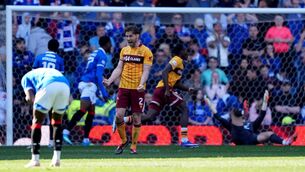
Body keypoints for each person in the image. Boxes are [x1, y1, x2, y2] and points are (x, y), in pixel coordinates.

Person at [124, 44, 199, 148]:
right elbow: (164, 72)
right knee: (184, 109)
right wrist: (168, 90)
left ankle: (122, 120)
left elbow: (176, 83)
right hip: (164, 89)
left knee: (150, 116)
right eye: (185, 51)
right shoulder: (177, 59)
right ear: (180, 52)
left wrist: (187, 89)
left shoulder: (181, 65)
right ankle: (184, 140)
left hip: (159, 90)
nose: (187, 53)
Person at [103, 25, 153, 154]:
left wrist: (142, 84)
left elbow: (146, 70)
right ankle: (124, 141)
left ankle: (134, 145)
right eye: (127, 36)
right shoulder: (124, 50)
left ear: (137, 36)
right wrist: (110, 80)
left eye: (131, 36)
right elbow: (119, 68)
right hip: (123, 87)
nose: (129, 38)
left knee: (137, 118)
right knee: (119, 116)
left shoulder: (146, 51)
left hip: (138, 89)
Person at [63, 36, 112, 146]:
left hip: (88, 83)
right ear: (107, 44)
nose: (111, 47)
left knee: (91, 112)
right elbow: (98, 75)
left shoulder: (94, 53)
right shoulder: (102, 55)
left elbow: (94, 72)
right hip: (89, 85)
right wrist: (103, 92)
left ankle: (86, 139)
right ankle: (65, 132)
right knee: (83, 110)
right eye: (110, 44)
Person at [204, 90, 296, 145]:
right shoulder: (231, 124)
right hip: (239, 136)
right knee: (234, 115)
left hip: (250, 139)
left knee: (269, 134)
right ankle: (242, 110)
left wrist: (265, 101)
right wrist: (209, 103)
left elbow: (262, 115)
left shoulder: (251, 124)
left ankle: (285, 142)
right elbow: (217, 116)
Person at [21, 68, 70, 167]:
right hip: (65, 84)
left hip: (48, 85)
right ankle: (56, 159)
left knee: (37, 122)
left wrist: (33, 103)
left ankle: (35, 159)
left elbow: (30, 98)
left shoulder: (25, 78)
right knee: (57, 123)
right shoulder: (42, 72)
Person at [32, 38, 64, 148]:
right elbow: (61, 77)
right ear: (57, 48)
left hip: (41, 89)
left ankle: (35, 142)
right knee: (53, 116)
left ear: (48, 47)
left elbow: (33, 74)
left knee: (38, 116)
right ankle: (52, 141)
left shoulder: (39, 57)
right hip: (54, 88)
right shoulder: (59, 59)